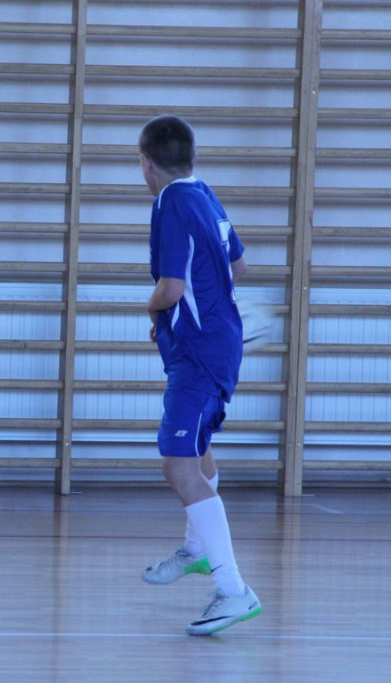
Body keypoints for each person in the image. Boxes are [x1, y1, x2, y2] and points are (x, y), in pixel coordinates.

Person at [137, 115, 261, 635]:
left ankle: (233, 589)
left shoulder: (170, 203)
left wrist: (154, 311)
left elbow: (170, 287)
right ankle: (195, 548)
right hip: (213, 344)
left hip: (199, 352)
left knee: (177, 464)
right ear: (193, 158)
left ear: (145, 163)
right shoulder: (204, 193)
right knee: (198, 450)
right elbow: (238, 266)